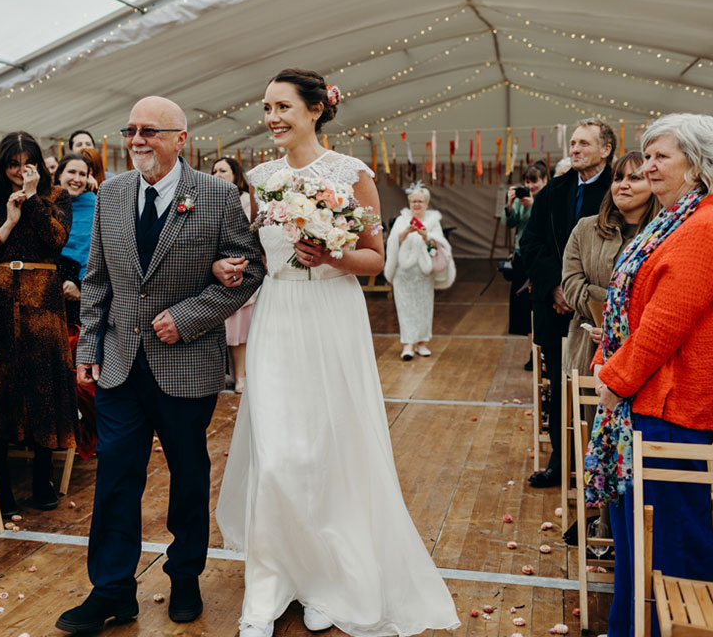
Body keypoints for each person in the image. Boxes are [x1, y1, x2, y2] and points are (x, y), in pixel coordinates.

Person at [216, 69, 459, 637]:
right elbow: (252, 254)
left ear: (317, 109)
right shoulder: (260, 177)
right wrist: (224, 266)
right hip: (278, 313)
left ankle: (328, 580)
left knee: (329, 449)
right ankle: (271, 585)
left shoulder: (354, 175)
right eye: (267, 107)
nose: (272, 118)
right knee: (276, 456)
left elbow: (375, 258)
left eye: (282, 107)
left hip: (331, 314)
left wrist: (332, 257)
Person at [55, 97, 263, 635]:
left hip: (187, 362)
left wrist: (190, 316)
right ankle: (111, 591)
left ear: (180, 138)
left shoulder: (216, 195)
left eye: (149, 130)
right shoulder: (113, 194)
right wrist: (89, 351)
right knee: (115, 478)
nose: (137, 140)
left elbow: (251, 269)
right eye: (130, 130)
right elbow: (97, 278)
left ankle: (186, 574)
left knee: (189, 475)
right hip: (120, 365)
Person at [585, 113, 713, 637]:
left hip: (675, 406)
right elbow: (633, 312)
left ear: (696, 166)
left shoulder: (709, 226)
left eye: (659, 157)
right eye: (646, 156)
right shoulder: (676, 220)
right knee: (639, 541)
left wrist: (613, 379)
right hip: (647, 402)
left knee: (671, 543)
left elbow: (664, 325)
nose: (647, 166)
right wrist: (606, 360)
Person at [0, 132, 78, 516]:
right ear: (3, 165)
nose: (18, 171)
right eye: (12, 164)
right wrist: (8, 222)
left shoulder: (56, 197)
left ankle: (41, 480)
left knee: (43, 387)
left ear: (36, 164)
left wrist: (32, 200)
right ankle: (1, 484)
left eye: (25, 163)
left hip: (42, 304)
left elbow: (56, 240)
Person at [561, 151, 660, 545]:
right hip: (590, 347)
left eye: (635, 178)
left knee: (636, 442)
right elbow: (570, 284)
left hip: (644, 352)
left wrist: (622, 319)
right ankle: (602, 525)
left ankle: (638, 533)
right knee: (599, 439)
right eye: (619, 178)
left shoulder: (663, 231)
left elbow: (660, 298)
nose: (623, 185)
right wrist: (607, 312)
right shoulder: (586, 229)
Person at [520, 119, 616, 488]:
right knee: (560, 387)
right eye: (573, 143)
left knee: (600, 389)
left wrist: (583, 295)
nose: (574, 149)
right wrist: (556, 288)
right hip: (556, 308)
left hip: (601, 311)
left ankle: (599, 469)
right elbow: (532, 244)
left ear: (606, 150)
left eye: (583, 144)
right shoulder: (553, 191)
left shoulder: (619, 189)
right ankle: (561, 462)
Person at [383, 181, 455, 360]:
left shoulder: (433, 222)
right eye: (413, 201)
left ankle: (422, 342)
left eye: (420, 202)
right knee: (405, 307)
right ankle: (408, 343)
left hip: (424, 272)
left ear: (426, 204)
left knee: (424, 306)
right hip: (404, 272)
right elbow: (393, 242)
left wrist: (426, 236)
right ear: (409, 203)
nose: (416, 205)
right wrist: (406, 232)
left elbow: (439, 245)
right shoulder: (401, 220)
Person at [211, 156, 257, 392]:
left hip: (242, 270)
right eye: (215, 171)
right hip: (216, 273)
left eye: (223, 170)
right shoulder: (209, 200)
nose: (218, 174)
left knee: (240, 331)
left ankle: (242, 377)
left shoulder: (246, 200)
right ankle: (227, 375)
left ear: (235, 175)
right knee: (224, 330)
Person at [503, 162, 548, 370]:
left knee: (536, 304)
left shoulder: (546, 200)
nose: (530, 186)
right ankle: (533, 349)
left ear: (545, 180)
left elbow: (541, 225)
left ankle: (539, 352)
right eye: (527, 182)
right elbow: (510, 223)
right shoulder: (520, 201)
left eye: (534, 181)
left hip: (539, 258)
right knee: (523, 306)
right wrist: (511, 204)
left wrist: (532, 206)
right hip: (521, 257)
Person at [55, 153, 95, 324]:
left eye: (82, 174)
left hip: (86, 289)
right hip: (54, 284)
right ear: (59, 175)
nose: (77, 179)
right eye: (71, 172)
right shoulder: (46, 204)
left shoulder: (97, 204)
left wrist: (81, 292)